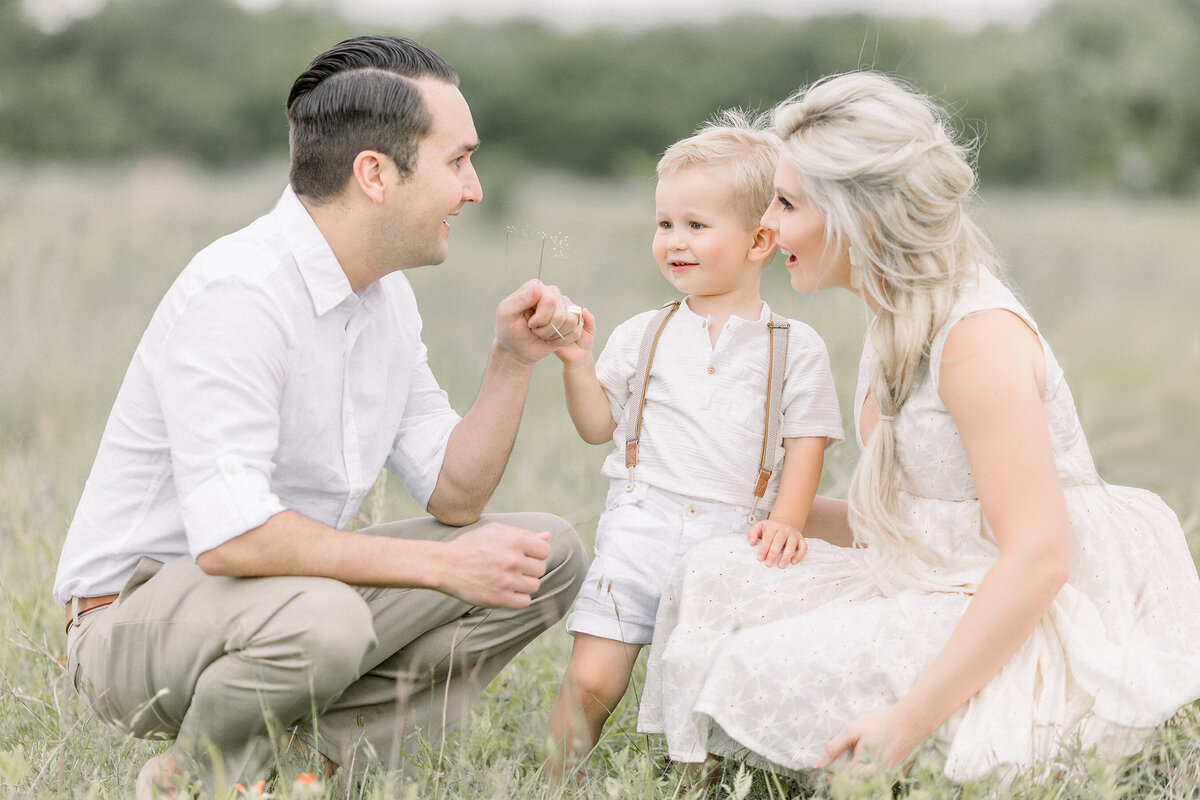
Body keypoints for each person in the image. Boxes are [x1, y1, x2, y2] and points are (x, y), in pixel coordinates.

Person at [53, 35, 587, 798]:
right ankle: (196, 779)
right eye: (458, 161)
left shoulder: (386, 297)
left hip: (291, 598)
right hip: (132, 620)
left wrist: (510, 362)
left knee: (546, 553)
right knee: (328, 620)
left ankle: (309, 760)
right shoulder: (239, 294)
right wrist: (440, 566)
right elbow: (235, 539)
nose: (474, 189)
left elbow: (455, 496)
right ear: (374, 173)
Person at [638, 71, 1200, 781]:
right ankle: (708, 779)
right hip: (931, 575)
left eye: (785, 203)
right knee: (714, 573)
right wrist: (772, 512)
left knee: (758, 663)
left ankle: (888, 747)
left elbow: (1037, 559)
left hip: (1023, 606)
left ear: (859, 219)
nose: (767, 226)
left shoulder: (976, 340)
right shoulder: (893, 314)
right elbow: (923, 521)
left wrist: (904, 723)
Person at [545, 112, 844, 777]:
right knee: (593, 679)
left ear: (761, 239)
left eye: (696, 226)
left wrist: (789, 521)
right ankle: (552, 783)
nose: (674, 241)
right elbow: (599, 426)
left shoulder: (794, 347)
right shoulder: (641, 334)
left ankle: (691, 785)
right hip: (641, 523)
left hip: (731, 539)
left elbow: (807, 441)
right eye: (665, 224)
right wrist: (574, 362)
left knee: (703, 700)